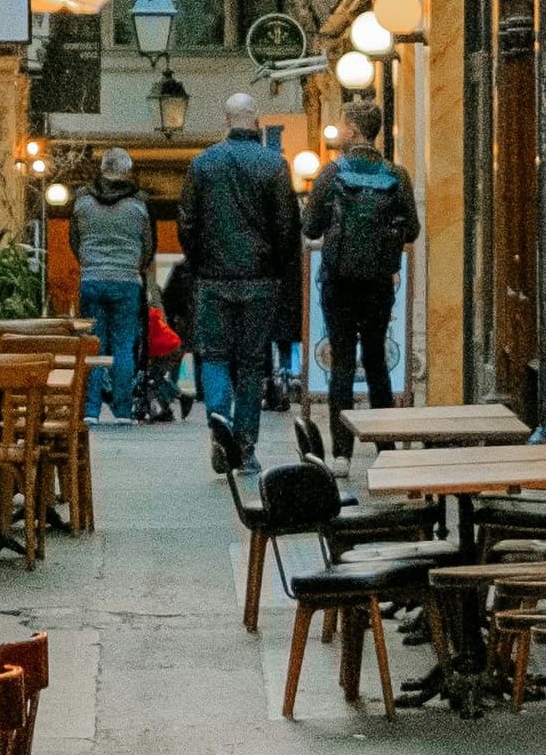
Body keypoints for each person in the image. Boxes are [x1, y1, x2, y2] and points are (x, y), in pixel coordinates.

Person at [178, 87, 306, 475]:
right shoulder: (274, 166)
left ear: (225, 121)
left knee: (215, 357)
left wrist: (199, 261)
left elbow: (187, 222)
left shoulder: (203, 164)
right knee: (252, 364)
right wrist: (277, 267)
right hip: (260, 280)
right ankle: (246, 448)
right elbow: (288, 225)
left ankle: (220, 429)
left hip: (213, 279)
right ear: (256, 121)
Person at [303, 105, 421, 421]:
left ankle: (342, 444)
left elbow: (310, 227)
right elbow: (412, 229)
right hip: (379, 283)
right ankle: (384, 438)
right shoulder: (396, 175)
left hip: (338, 282)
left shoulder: (331, 173)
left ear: (353, 131)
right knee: (376, 361)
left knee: (341, 362)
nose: (338, 132)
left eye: (342, 126)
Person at [68, 146, 155, 421]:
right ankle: (122, 410)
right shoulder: (139, 203)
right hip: (127, 281)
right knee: (124, 346)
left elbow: (74, 240)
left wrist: (89, 263)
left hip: (92, 278)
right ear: (126, 171)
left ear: (102, 168)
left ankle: (91, 410)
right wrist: (134, 266)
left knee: (93, 345)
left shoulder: (82, 201)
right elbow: (148, 245)